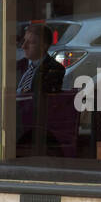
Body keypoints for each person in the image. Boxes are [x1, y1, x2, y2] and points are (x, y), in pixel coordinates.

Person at [16, 21, 64, 157]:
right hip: (12, 119)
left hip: (31, 126)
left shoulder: (54, 69)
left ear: (43, 46)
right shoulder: (17, 67)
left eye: (30, 42)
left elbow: (39, 103)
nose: (24, 46)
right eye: (24, 41)